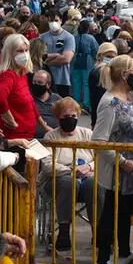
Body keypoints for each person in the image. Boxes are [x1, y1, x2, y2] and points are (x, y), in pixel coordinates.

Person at [92, 55, 133, 264]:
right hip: (119, 170)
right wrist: (122, 161)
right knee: (111, 213)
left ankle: (125, 253)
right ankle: (103, 257)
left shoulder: (130, 97)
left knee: (125, 213)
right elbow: (99, 140)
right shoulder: (109, 103)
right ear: (125, 74)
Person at [40, 97, 95, 253]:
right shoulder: (50, 137)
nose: (69, 120)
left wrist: (89, 166)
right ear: (57, 118)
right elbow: (48, 166)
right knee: (67, 182)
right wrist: (72, 170)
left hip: (86, 179)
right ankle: (63, 231)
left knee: (94, 184)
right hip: (57, 183)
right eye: (65, 117)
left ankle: (97, 232)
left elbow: (99, 158)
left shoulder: (88, 134)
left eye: (73, 116)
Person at [0, 34, 39, 140]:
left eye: (26, 50)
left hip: (27, 136)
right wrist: (9, 118)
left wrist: (43, 125)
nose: (25, 54)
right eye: (20, 51)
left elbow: (30, 103)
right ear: (10, 53)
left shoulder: (21, 74)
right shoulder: (8, 75)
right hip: (14, 138)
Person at [40, 12, 76, 97]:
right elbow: (38, 56)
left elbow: (66, 59)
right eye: (51, 21)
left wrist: (46, 62)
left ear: (61, 21)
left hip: (62, 79)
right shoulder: (42, 37)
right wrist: (57, 55)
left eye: (56, 20)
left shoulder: (68, 37)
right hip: (44, 79)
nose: (53, 23)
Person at [88, 43, 117, 127]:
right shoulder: (96, 73)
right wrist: (94, 121)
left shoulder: (114, 72)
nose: (111, 59)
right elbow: (94, 98)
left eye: (113, 57)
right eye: (108, 56)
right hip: (101, 111)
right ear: (100, 55)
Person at [71, 20, 98, 111]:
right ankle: (86, 104)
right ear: (88, 28)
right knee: (86, 83)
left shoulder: (74, 37)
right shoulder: (91, 38)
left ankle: (76, 103)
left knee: (76, 83)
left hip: (75, 61)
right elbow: (95, 50)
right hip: (87, 61)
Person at [32, 70, 62, 139]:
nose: (36, 85)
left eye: (40, 83)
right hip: (33, 139)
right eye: (34, 82)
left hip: (54, 138)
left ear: (48, 85)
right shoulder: (27, 98)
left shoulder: (57, 99)